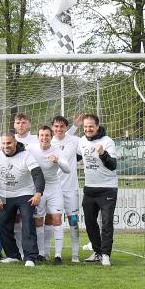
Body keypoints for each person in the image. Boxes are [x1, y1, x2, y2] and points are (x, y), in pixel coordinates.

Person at [0, 132, 45, 267]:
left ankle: (30, 257)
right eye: (4, 143)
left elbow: (38, 175)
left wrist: (38, 193)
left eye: (9, 143)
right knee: (2, 224)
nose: (6, 146)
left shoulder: (26, 155)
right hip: (4, 194)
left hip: (25, 193)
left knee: (27, 222)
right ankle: (13, 255)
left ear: (15, 143)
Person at [79, 114, 118, 267]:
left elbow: (113, 165)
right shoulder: (81, 141)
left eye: (91, 126)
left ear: (97, 126)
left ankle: (106, 254)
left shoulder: (107, 141)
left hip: (107, 189)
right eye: (85, 126)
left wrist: (102, 153)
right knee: (89, 223)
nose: (88, 129)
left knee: (107, 223)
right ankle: (98, 252)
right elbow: (72, 156)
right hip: (89, 189)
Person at [27, 126, 71, 264]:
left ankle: (58, 255)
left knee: (56, 218)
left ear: (51, 137)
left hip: (54, 188)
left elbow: (67, 170)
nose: (44, 138)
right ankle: (41, 253)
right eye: (42, 135)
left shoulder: (57, 151)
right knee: (38, 220)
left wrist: (57, 161)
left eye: (47, 135)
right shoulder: (30, 149)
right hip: (38, 190)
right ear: (38, 137)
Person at [52, 115, 82, 263]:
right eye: (56, 126)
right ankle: (51, 253)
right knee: (53, 221)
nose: (59, 129)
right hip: (53, 191)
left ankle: (75, 254)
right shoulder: (47, 141)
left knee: (73, 221)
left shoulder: (75, 140)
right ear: (52, 128)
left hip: (71, 189)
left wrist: (75, 127)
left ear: (66, 127)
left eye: (62, 126)